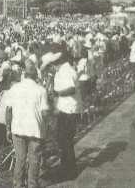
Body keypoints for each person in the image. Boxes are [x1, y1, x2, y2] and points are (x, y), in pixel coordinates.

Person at [6, 59, 50, 188]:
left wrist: (8, 128)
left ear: (24, 75)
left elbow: (8, 110)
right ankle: (32, 184)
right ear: (36, 77)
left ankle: (18, 184)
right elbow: (45, 113)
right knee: (34, 159)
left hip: (18, 127)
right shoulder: (41, 90)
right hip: (35, 128)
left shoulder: (14, 88)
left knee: (20, 158)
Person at [52, 51, 83, 181]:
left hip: (68, 110)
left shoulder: (64, 72)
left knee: (65, 140)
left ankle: (70, 170)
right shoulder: (67, 69)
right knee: (64, 139)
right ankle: (66, 167)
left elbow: (71, 89)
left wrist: (58, 93)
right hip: (69, 108)